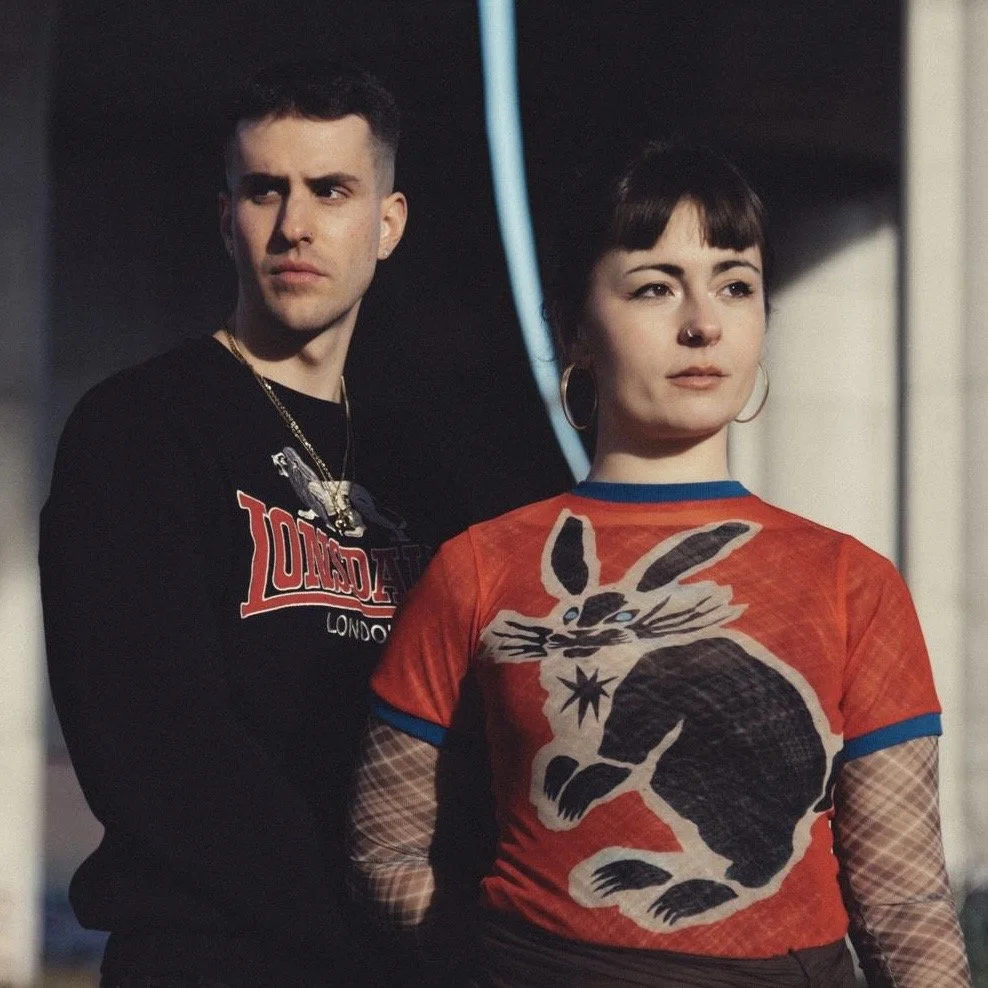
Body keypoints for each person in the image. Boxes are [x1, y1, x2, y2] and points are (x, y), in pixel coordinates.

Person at [347, 141, 974, 987]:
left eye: (735, 285)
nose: (703, 323)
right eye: (655, 286)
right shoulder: (478, 568)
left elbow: (904, 903)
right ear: (572, 326)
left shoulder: (849, 584)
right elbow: (384, 850)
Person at [40, 59, 435, 987]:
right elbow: (158, 754)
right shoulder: (138, 428)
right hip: (209, 956)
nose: (294, 224)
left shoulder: (423, 460)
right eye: (265, 190)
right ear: (227, 220)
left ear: (387, 224)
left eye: (331, 190)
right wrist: (380, 931)